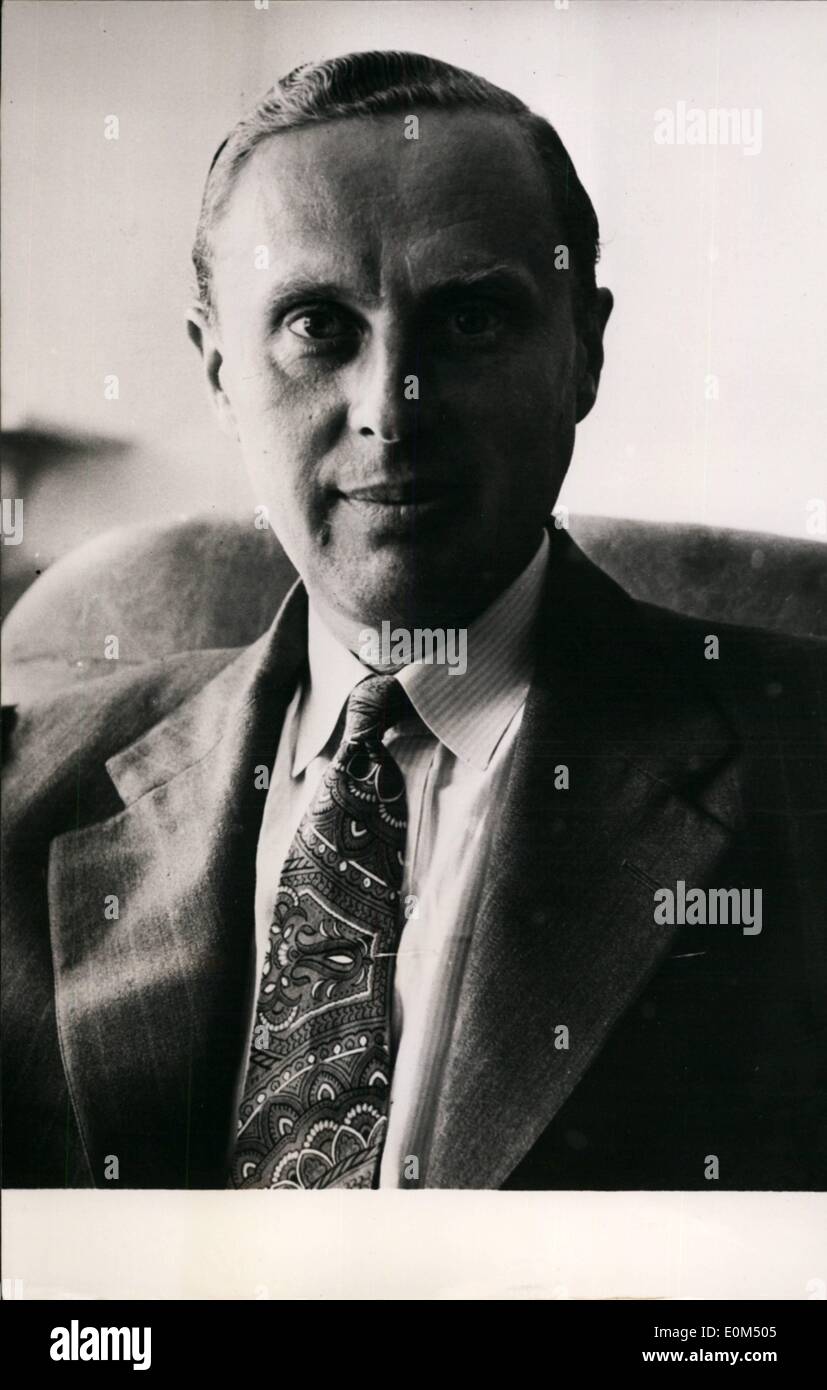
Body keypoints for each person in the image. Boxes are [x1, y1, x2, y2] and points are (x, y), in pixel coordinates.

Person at [2, 51, 825, 1191]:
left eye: (471, 319)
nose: (392, 406)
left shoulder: (803, 763)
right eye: (316, 325)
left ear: (581, 353)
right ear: (220, 370)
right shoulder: (24, 789)